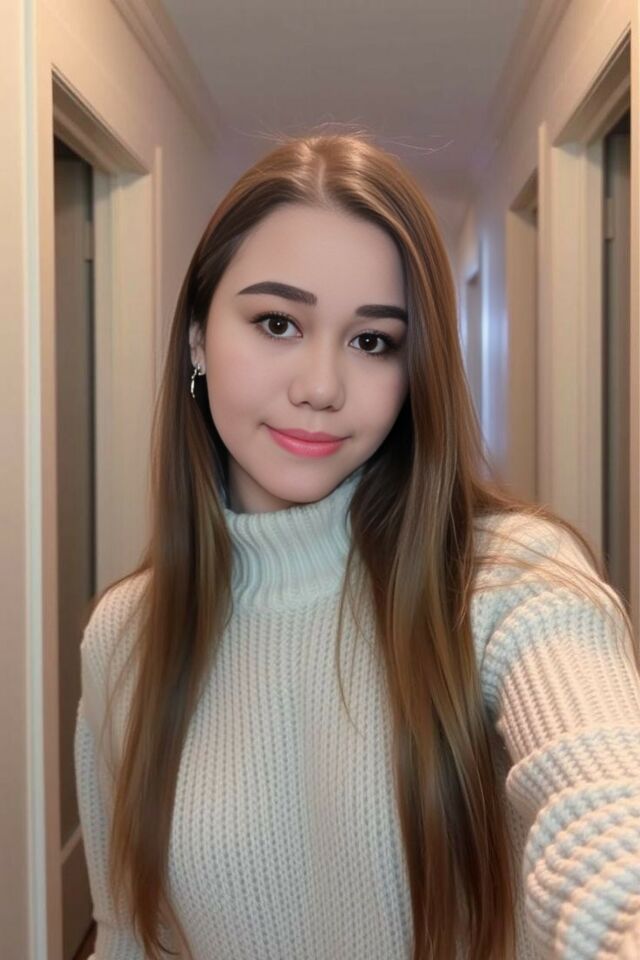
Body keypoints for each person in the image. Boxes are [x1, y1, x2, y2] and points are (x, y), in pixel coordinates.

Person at [74, 132, 640, 960]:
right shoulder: (123, 635)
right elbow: (129, 930)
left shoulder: (509, 576)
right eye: (277, 323)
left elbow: (602, 797)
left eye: (372, 341)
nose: (321, 387)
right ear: (197, 338)